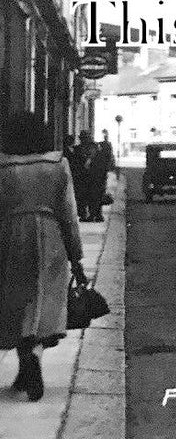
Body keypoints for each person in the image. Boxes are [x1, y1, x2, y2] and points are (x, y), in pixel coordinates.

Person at [0, 111, 86, 402]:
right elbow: (69, 215)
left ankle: (25, 368)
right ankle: (34, 356)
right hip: (51, 238)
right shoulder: (57, 165)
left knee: (17, 305)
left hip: (10, 238)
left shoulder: (3, 167)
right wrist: (77, 258)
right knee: (44, 304)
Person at [85, 131, 115, 222]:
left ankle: (93, 215)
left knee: (93, 198)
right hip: (99, 180)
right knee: (97, 198)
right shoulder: (102, 158)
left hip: (96, 180)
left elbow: (90, 168)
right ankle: (97, 215)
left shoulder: (97, 159)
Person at [72, 132, 97, 221]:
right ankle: (84, 214)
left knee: (90, 196)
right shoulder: (77, 149)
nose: (84, 140)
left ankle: (90, 215)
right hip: (81, 176)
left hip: (90, 176)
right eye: (83, 138)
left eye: (86, 138)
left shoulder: (93, 148)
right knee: (82, 196)